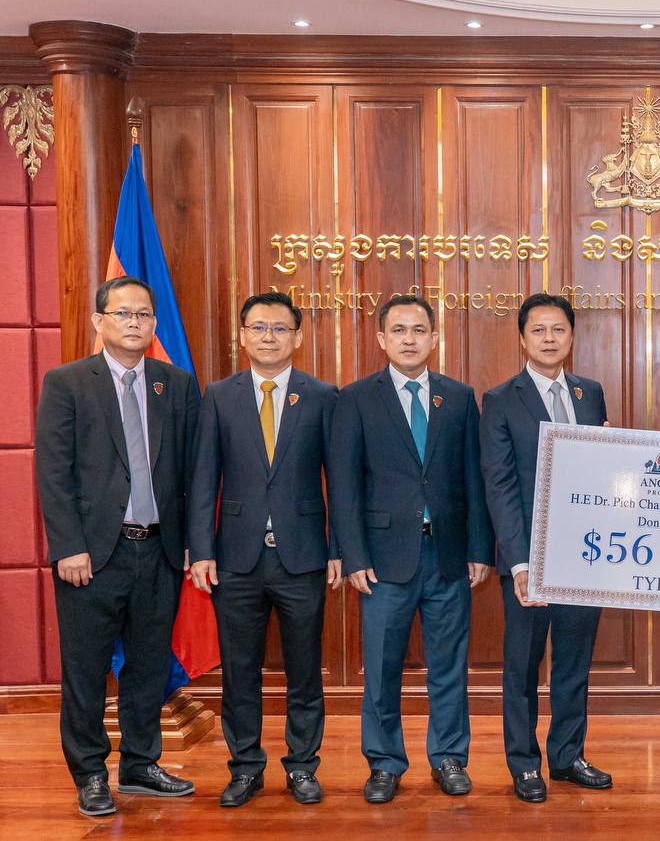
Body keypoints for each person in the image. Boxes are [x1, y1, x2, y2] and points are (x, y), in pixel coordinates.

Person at [35, 276, 200, 817]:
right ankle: (89, 773)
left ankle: (139, 764)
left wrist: (191, 545)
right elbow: (53, 472)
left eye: (144, 315)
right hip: (91, 555)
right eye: (123, 313)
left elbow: (192, 471)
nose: (134, 323)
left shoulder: (175, 384)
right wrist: (68, 546)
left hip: (159, 550)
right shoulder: (67, 383)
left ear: (154, 324)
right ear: (99, 321)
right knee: (86, 669)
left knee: (149, 666)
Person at [329, 294, 494, 804]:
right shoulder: (356, 398)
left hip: (447, 556)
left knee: (449, 666)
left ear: (434, 339)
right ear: (381, 339)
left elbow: (474, 478)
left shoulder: (459, 397)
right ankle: (384, 763)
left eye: (419, 330)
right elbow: (344, 484)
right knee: (381, 669)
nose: (409, 339)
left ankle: (449, 758)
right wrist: (353, 556)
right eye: (398, 330)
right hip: (382, 561)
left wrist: (479, 547)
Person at [187, 292, 341, 807]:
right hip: (236, 557)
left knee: (304, 671)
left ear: (298, 336)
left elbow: (339, 479)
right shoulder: (219, 395)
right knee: (240, 672)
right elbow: (203, 477)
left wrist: (338, 548)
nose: (268, 337)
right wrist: (201, 549)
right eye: (258, 327)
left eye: (279, 328)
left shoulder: (322, 395)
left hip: (303, 556)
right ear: (242, 335)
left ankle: (302, 766)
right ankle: (245, 767)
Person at [480, 292, 612, 803]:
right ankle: (524, 762)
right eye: (538, 330)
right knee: (523, 665)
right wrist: (518, 562)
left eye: (558, 329)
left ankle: (567, 756)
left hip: (585, 554)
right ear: (522, 338)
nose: (549, 338)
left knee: (574, 664)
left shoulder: (590, 393)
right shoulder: (500, 399)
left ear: (572, 336)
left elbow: (602, 475)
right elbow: (500, 486)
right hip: (529, 558)